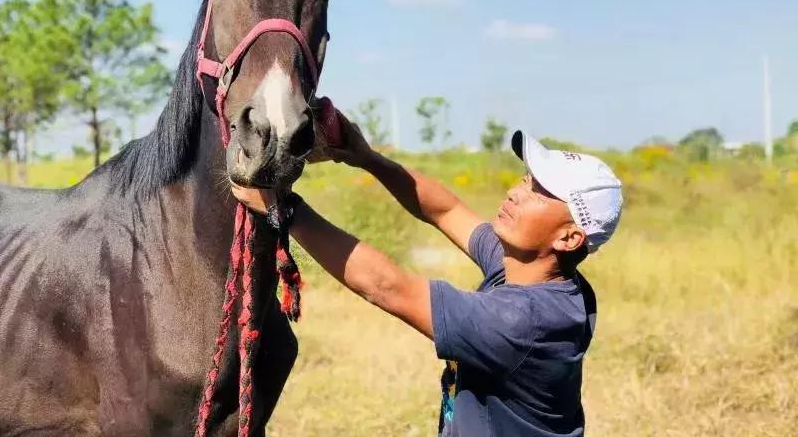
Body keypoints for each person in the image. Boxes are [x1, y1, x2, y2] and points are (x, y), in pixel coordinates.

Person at [231, 115, 623, 437]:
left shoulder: (521, 322)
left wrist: (283, 208)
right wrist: (367, 158)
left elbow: (388, 287)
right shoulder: (537, 273)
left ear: (569, 238)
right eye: (526, 179)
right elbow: (446, 211)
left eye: (539, 192)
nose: (515, 192)